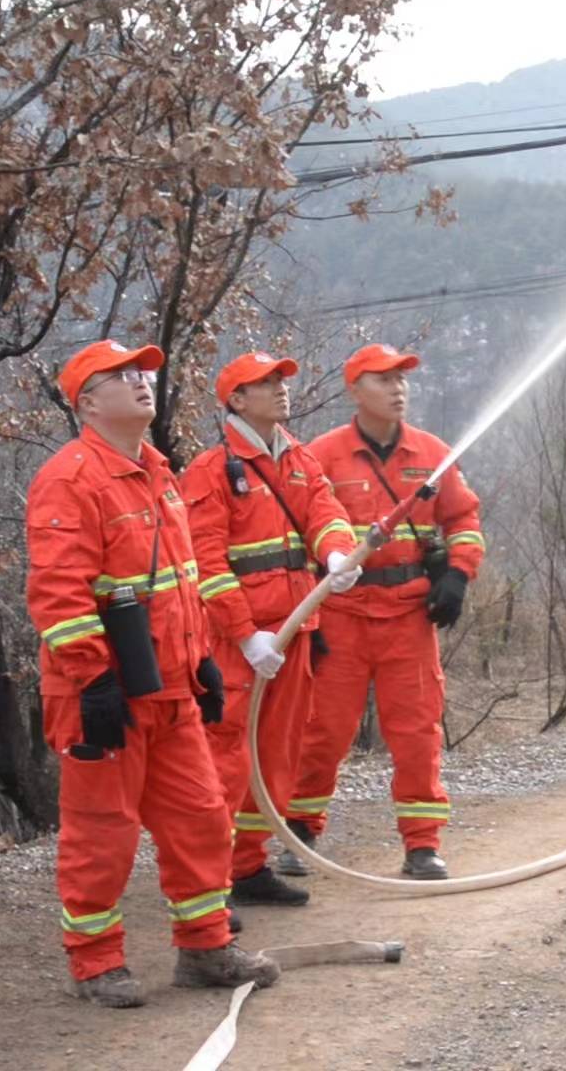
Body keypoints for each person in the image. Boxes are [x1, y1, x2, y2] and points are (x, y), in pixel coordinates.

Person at [25, 339, 279, 1008]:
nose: (142, 383)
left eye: (144, 373)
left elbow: (177, 580)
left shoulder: (158, 473)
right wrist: (93, 679)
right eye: (122, 376)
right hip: (103, 697)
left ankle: (204, 949)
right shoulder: (70, 477)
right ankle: (95, 963)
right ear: (86, 401)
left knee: (201, 819)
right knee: (101, 833)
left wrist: (198, 658)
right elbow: (58, 592)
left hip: (172, 692)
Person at [293, 343, 485, 880]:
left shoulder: (433, 452)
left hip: (408, 616)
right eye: (384, 379)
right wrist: (305, 619)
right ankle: (301, 832)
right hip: (342, 614)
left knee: (417, 732)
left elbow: (464, 519)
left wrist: (457, 575)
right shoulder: (322, 456)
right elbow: (295, 535)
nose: (398, 388)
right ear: (354, 390)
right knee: (322, 730)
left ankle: (422, 845)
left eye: (403, 378)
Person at [180, 351, 359, 904]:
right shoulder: (211, 472)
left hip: (295, 632)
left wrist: (336, 556)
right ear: (236, 400)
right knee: (228, 759)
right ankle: (208, 881)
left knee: (277, 755)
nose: (282, 389)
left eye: (282, 379)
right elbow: (206, 565)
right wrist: (243, 634)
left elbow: (326, 515)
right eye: (266, 383)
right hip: (244, 643)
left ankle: (249, 867)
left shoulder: (299, 459)